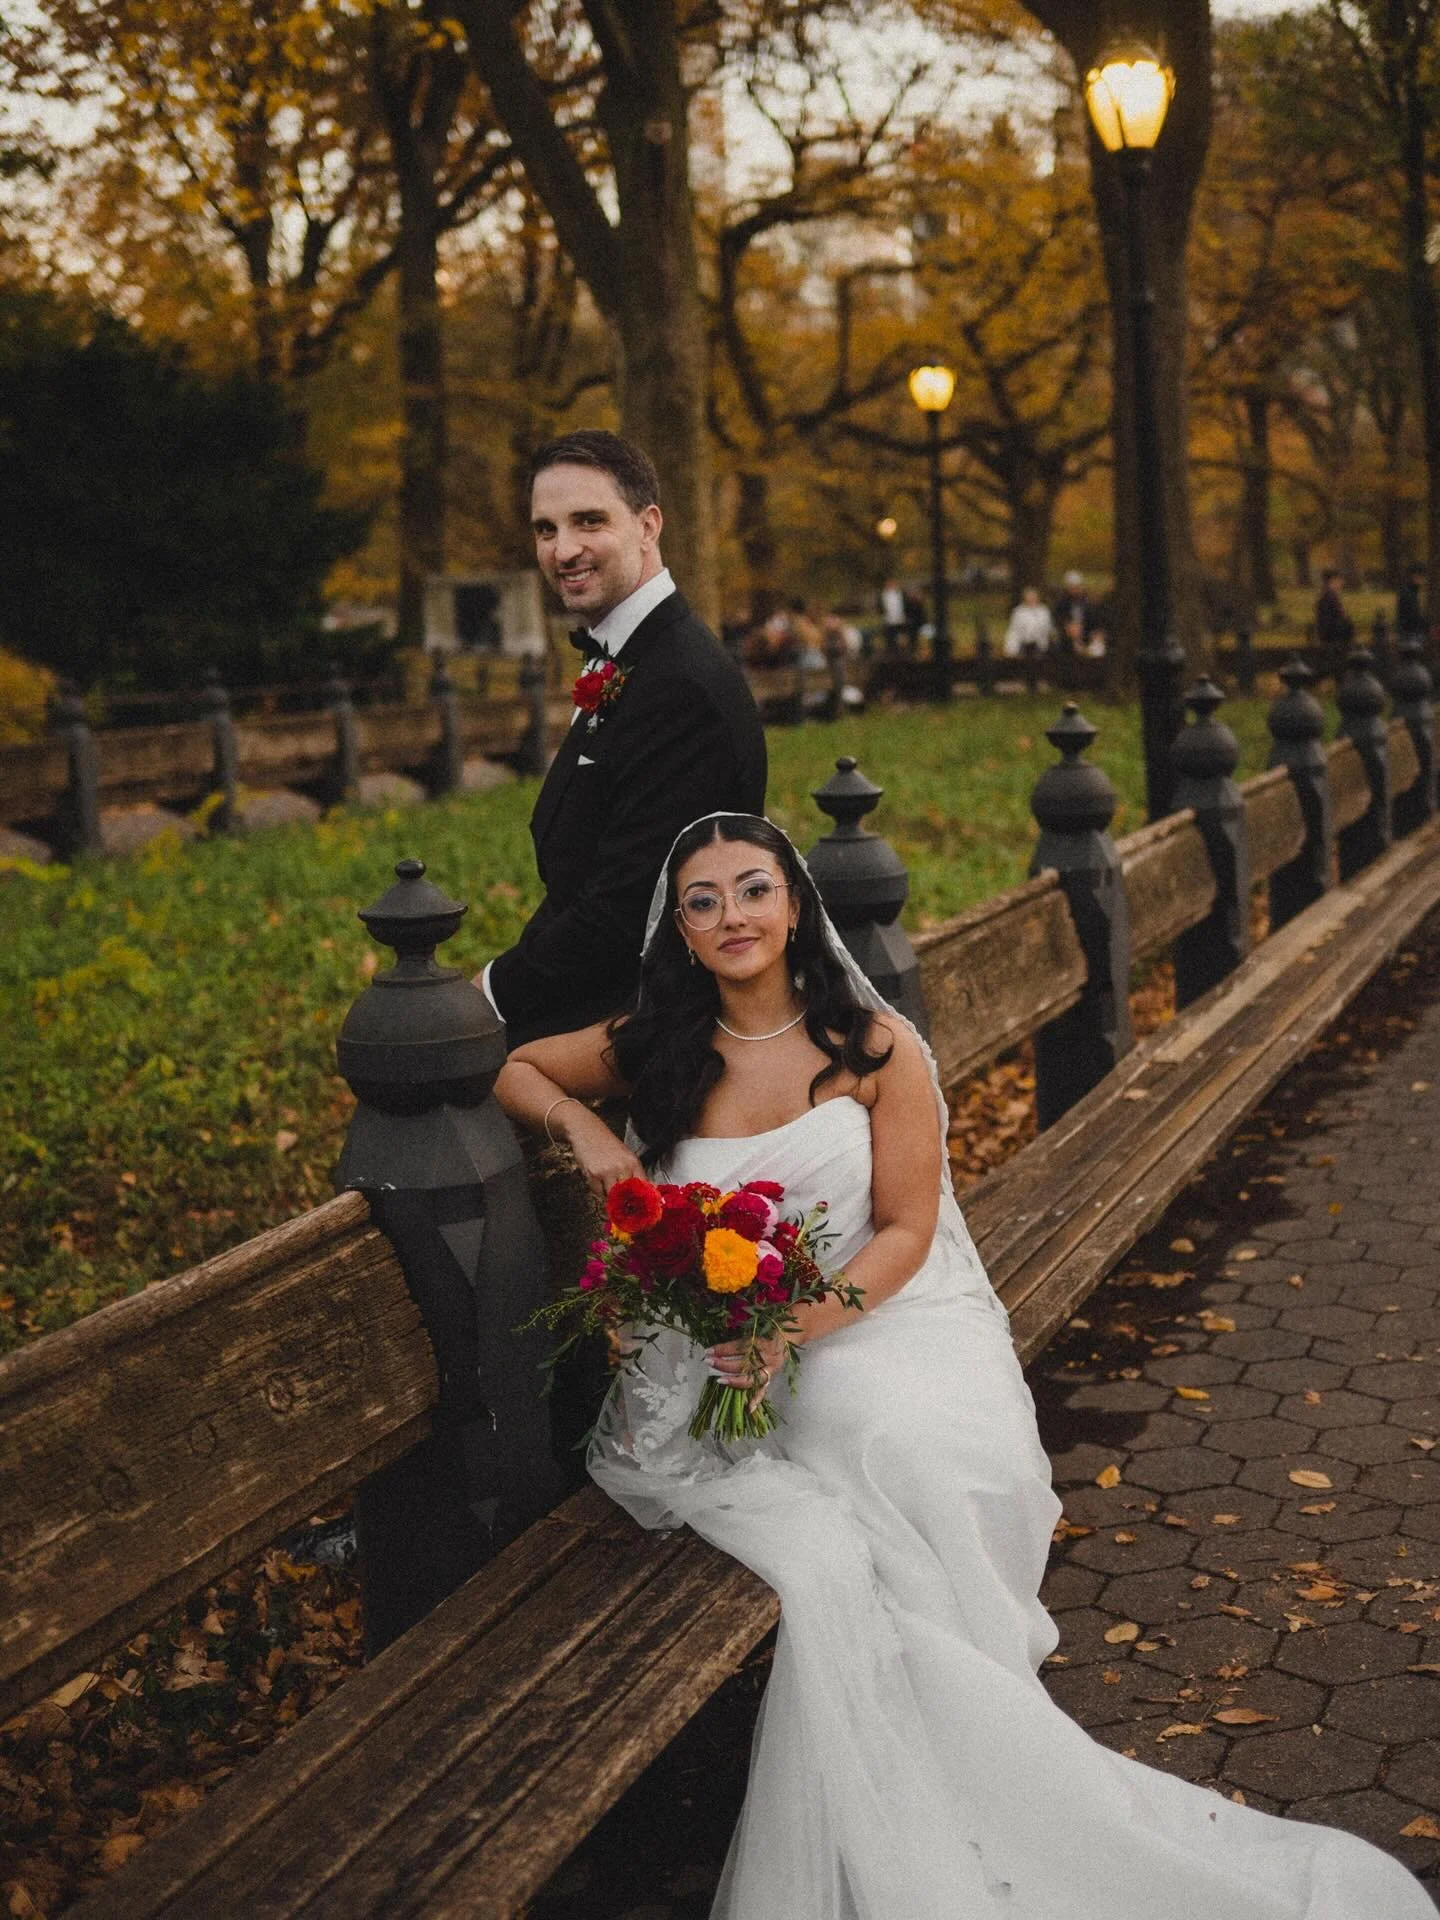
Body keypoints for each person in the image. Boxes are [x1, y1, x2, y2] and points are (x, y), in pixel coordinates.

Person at [495, 813, 1431, 1919]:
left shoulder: (876, 1048)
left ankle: (973, 1715)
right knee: (836, 1501)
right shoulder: (655, 1041)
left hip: (867, 1319)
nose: (731, 917)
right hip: (719, 1352)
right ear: (682, 931)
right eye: (703, 902)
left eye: (753, 890)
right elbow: (514, 1067)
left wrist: (794, 1328)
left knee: (901, 1444)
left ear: (795, 905)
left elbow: (901, 1230)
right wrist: (590, 1131)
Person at [476, 431, 766, 1047]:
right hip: (599, 989)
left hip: (653, 1022)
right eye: (545, 529)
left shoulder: (679, 685)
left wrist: (492, 992)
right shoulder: (631, 656)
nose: (563, 550)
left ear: (648, 526)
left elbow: (627, 913)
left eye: (588, 521)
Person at [1003, 583, 1055, 659]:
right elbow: (1013, 631)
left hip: (1040, 647)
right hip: (1023, 646)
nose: (1032, 598)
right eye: (1029, 596)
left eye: (1034, 596)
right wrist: (1010, 649)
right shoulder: (1018, 612)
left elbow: (1049, 629)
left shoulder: (1044, 611)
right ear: (1024, 597)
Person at [1314, 568, 1355, 658]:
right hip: (1331, 635)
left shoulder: (1329, 595)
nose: (1342, 583)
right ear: (1332, 581)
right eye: (1339, 580)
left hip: (1331, 633)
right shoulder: (1329, 597)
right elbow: (1333, 619)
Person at [1395, 563, 1427, 639]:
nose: (1423, 580)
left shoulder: (1412, 592)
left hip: (1410, 633)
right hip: (1410, 634)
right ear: (1414, 577)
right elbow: (1411, 616)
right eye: (1421, 577)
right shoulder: (1408, 594)